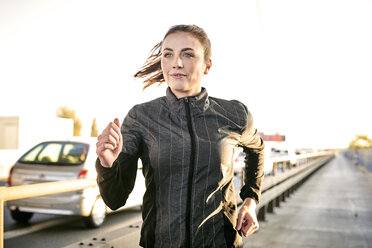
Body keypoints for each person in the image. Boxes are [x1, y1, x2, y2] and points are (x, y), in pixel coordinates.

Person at [96, 24, 265, 248]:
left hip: (220, 242)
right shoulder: (141, 117)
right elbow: (115, 200)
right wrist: (107, 164)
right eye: (168, 54)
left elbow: (257, 149)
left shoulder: (234, 114)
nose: (176, 62)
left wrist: (250, 200)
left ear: (207, 65)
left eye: (188, 54)